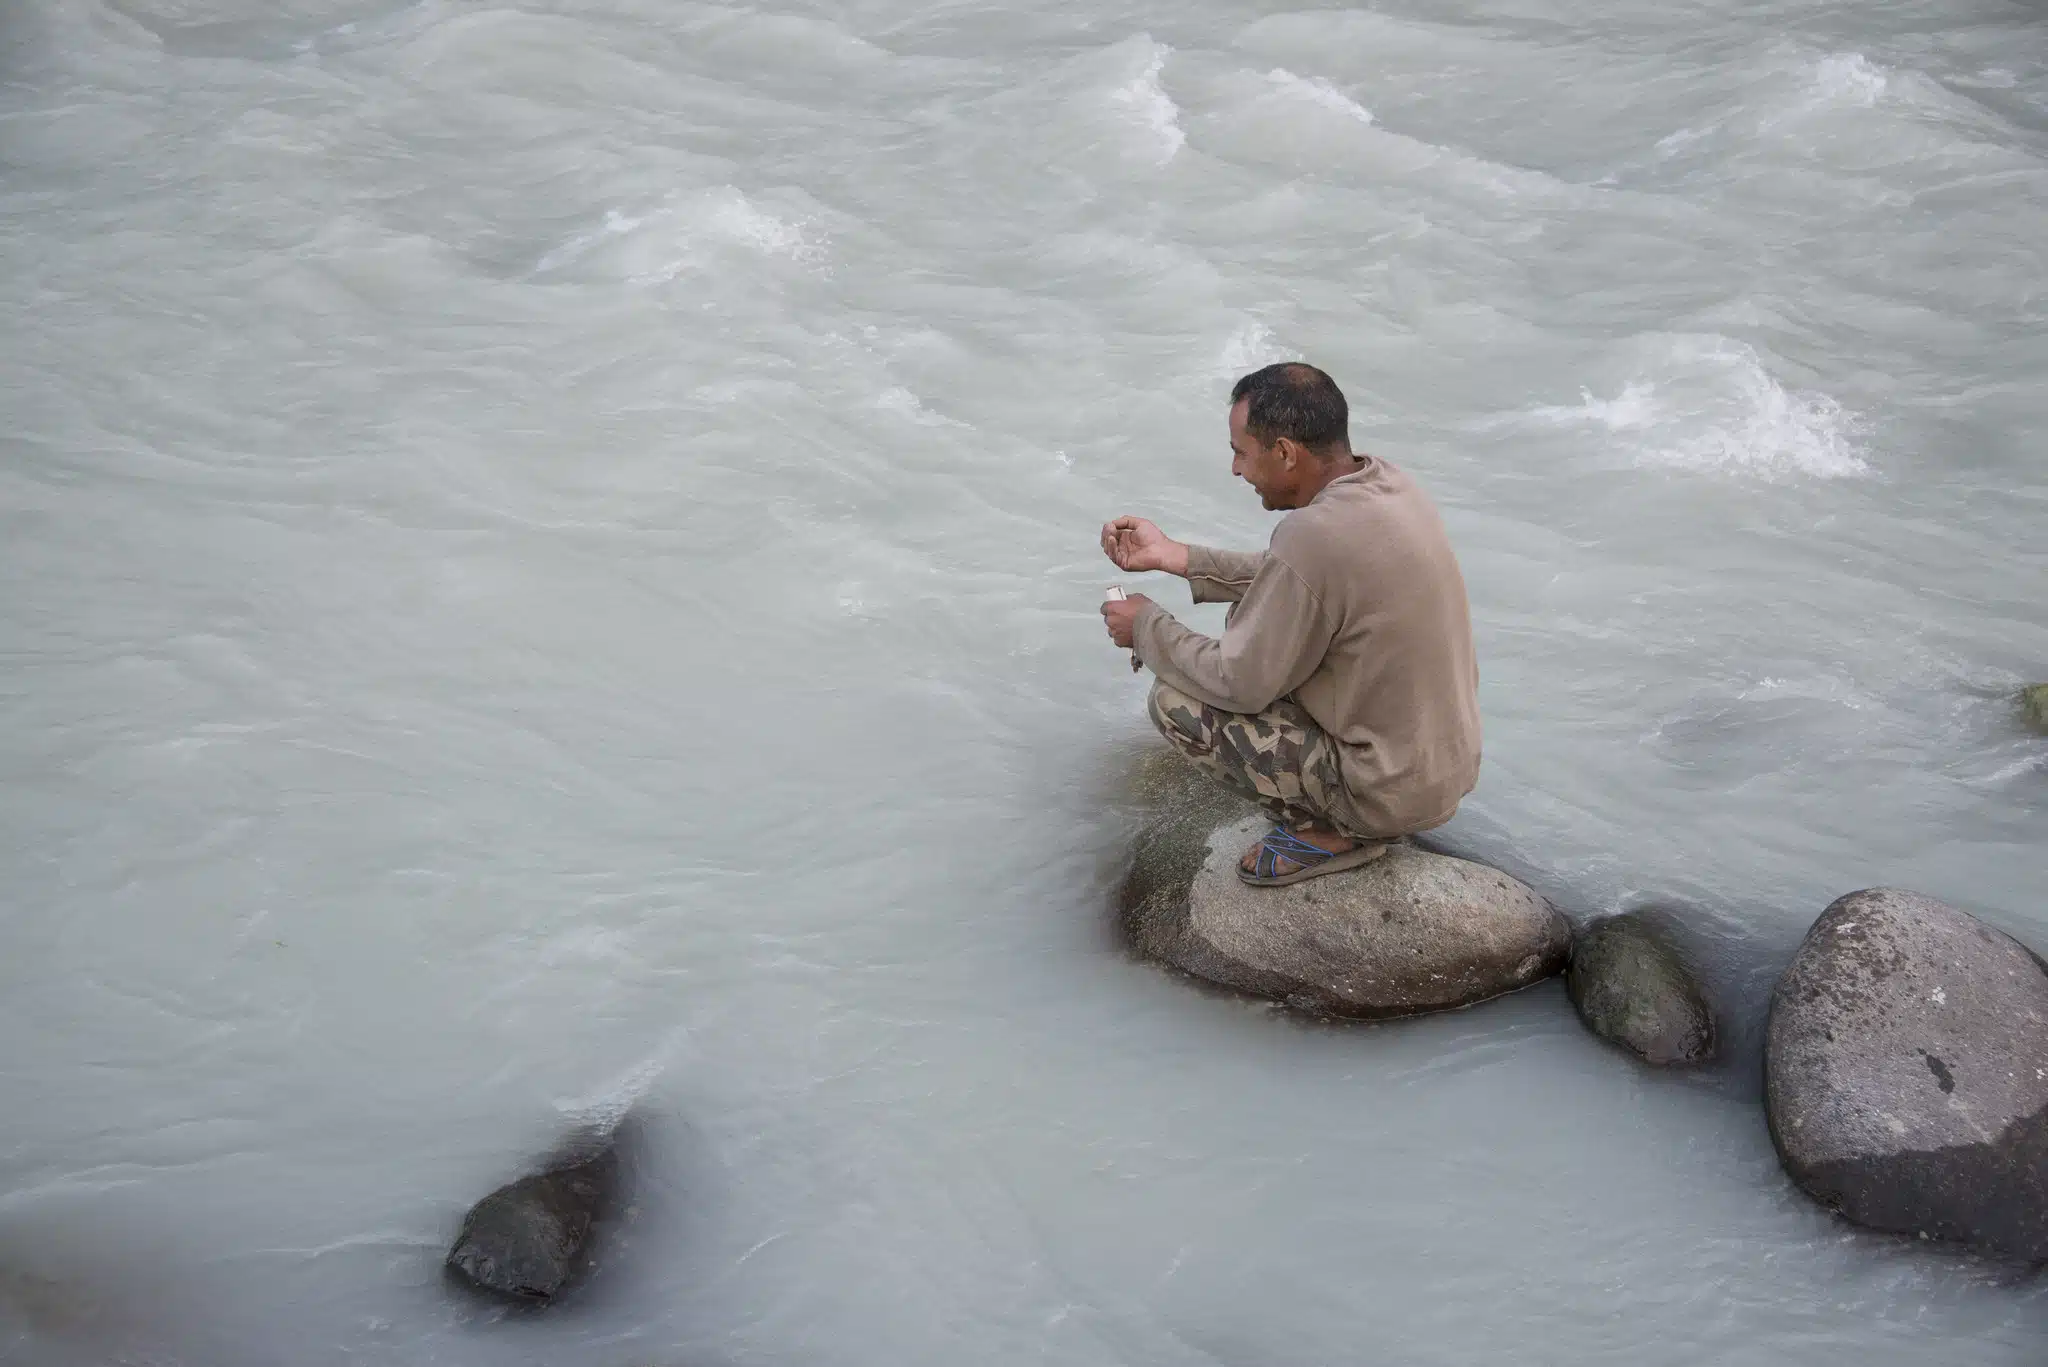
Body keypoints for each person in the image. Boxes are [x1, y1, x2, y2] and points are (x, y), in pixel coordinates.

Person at [1099, 362, 1481, 886]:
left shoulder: (1312, 535)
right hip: (1443, 771)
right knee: (1262, 635)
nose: (1236, 469)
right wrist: (1176, 556)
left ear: (1284, 452)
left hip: (1381, 792)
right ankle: (1364, 808)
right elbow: (1296, 579)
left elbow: (1239, 682)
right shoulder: (1388, 485)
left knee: (1175, 703)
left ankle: (1335, 831)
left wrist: (1145, 626)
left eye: (1241, 451)